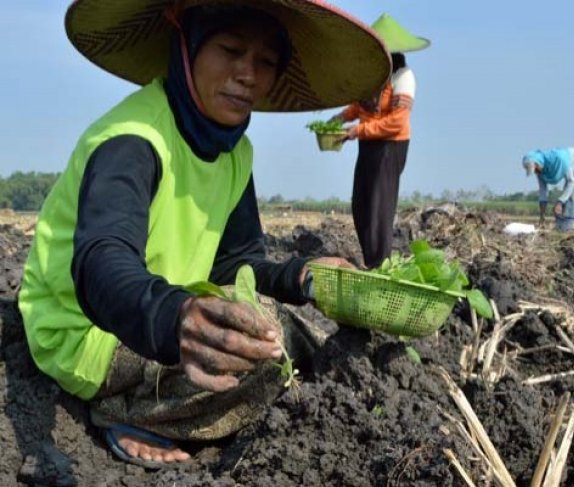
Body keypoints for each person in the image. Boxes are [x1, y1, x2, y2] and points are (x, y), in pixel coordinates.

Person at [19, 0, 390, 469]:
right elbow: (101, 261)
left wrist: (302, 276)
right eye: (230, 50)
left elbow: (235, 264)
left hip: (175, 310)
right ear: (186, 46)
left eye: (265, 62)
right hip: (91, 330)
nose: (247, 74)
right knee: (263, 363)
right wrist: (175, 317)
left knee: (296, 332)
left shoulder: (236, 153)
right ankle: (131, 412)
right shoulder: (133, 140)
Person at [329, 13, 430, 268]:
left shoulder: (403, 77)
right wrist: (340, 118)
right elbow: (361, 105)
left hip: (390, 146)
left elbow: (397, 122)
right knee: (361, 204)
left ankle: (379, 265)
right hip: (369, 143)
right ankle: (371, 260)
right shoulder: (374, 76)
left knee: (378, 209)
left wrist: (356, 131)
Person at [522, 147, 574, 231]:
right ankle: (561, 226)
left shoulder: (559, 160)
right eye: (534, 171)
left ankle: (570, 227)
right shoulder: (540, 171)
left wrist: (560, 202)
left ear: (538, 163)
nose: (536, 172)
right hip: (573, 168)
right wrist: (542, 215)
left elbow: (571, 182)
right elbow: (543, 191)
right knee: (565, 196)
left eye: (536, 169)